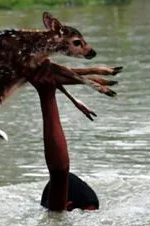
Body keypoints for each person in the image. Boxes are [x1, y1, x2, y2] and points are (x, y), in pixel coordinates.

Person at [28, 63, 99, 211]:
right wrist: (47, 97)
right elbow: (59, 172)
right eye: (87, 214)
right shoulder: (57, 215)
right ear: (69, 207)